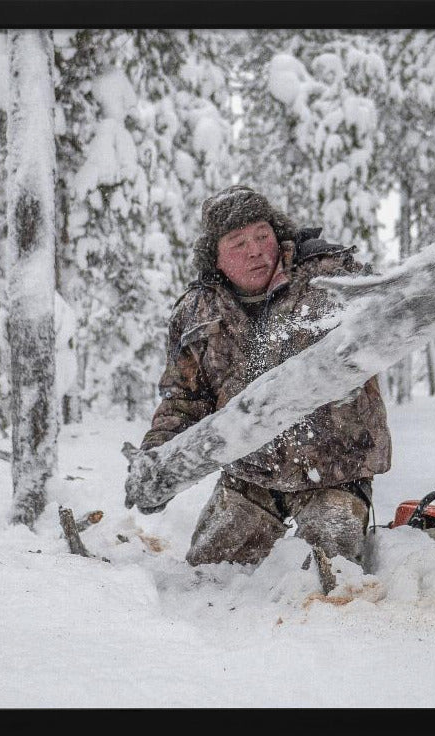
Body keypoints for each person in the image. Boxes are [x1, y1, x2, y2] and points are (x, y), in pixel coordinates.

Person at [133, 185, 392, 567]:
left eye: (262, 235)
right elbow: (184, 401)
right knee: (209, 573)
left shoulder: (331, 276)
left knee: (328, 571)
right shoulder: (195, 312)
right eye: (238, 243)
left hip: (336, 469)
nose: (255, 250)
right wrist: (156, 463)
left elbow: (387, 322)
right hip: (251, 474)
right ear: (216, 259)